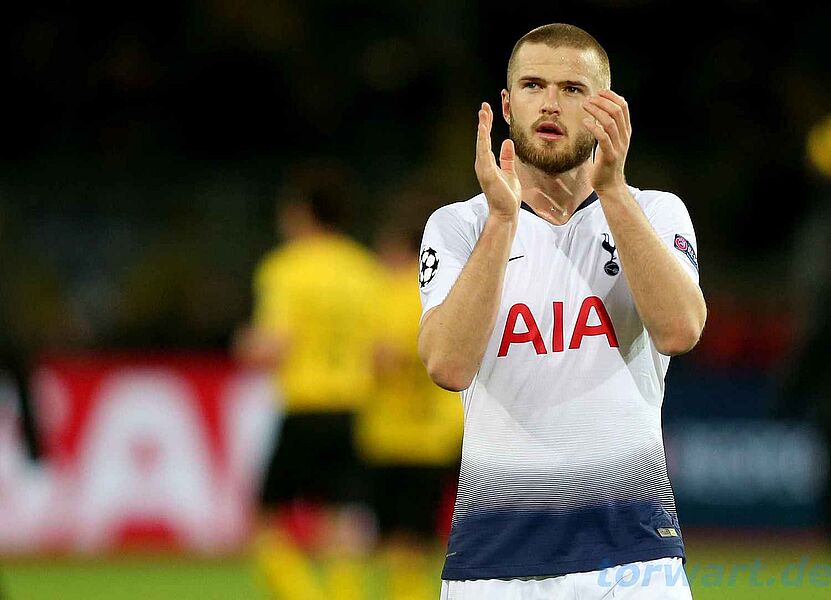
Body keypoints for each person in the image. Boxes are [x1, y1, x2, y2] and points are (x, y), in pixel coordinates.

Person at [417, 24, 707, 599]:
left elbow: (680, 331)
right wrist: (503, 220)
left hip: (634, 561)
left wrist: (614, 192)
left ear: (607, 110)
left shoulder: (656, 212)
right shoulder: (459, 226)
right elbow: (447, 366)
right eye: (533, 85)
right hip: (492, 566)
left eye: (573, 89)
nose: (550, 103)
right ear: (507, 106)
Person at [234, 172, 382, 599]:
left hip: (304, 408)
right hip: (353, 409)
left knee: (264, 523)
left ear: (301, 213)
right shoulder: (364, 269)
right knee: (340, 524)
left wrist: (246, 345)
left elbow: (275, 345)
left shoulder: (286, 268)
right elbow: (380, 349)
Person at [355, 204, 464, 599]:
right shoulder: (447, 286)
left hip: (394, 435)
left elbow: (377, 358)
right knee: (418, 539)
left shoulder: (386, 291)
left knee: (396, 539)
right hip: (440, 431)